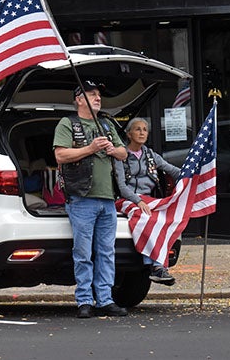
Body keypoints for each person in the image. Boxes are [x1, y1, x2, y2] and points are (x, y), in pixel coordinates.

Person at [53, 80, 128, 319]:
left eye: (99, 95)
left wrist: (112, 150)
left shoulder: (106, 123)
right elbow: (61, 154)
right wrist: (91, 147)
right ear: (78, 99)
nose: (98, 98)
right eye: (92, 94)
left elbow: (124, 153)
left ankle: (105, 299)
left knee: (106, 252)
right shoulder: (68, 123)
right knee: (83, 252)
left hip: (107, 199)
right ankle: (84, 300)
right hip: (81, 198)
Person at [114, 117, 181, 285]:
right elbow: (121, 186)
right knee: (144, 217)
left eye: (145, 129)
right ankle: (156, 266)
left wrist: (195, 175)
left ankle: (157, 267)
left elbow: (173, 170)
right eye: (137, 129)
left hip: (148, 199)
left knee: (164, 218)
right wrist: (137, 201)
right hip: (126, 199)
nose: (142, 132)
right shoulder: (120, 155)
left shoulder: (151, 155)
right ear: (129, 134)